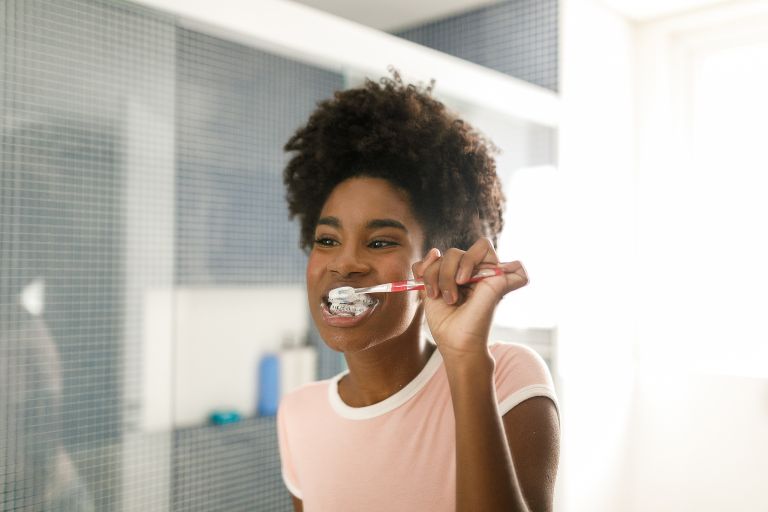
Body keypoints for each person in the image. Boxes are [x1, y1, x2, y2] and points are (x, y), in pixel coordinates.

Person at [278, 69, 560, 512]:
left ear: (437, 262)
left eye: (381, 241)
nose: (345, 263)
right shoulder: (298, 413)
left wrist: (465, 356)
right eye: (327, 240)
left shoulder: (507, 375)